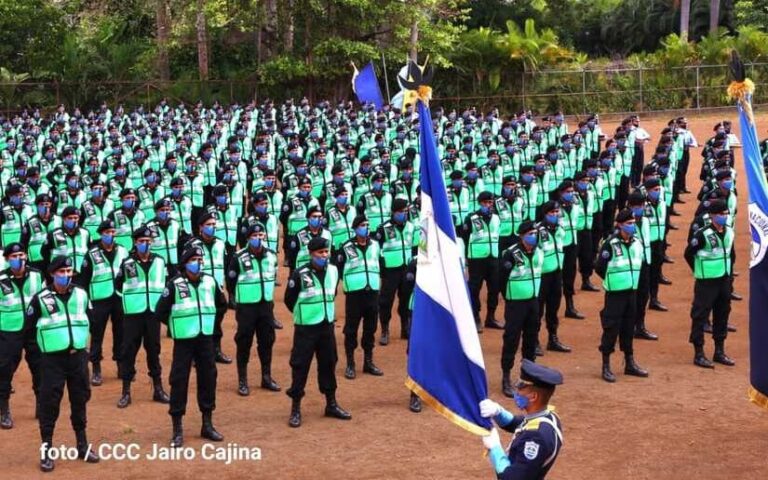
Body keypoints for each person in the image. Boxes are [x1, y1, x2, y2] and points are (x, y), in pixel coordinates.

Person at [24, 256, 99, 472]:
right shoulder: (40, 299)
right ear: (52, 274)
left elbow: (93, 322)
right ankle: (47, 450)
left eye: (68, 271)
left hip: (77, 358)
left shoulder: (81, 295)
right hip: (52, 361)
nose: (66, 276)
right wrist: (41, 356)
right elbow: (28, 331)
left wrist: (86, 353)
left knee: (80, 399)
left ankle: (82, 444)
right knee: (49, 404)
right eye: (61, 272)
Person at [154, 245, 228, 447]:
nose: (198, 263)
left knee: (208, 378)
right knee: (179, 380)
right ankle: (177, 429)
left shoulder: (210, 282)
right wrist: (176, 326)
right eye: (193, 260)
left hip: (205, 338)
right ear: (185, 263)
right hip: (184, 340)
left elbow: (221, 304)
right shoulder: (175, 284)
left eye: (200, 260)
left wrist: (210, 323)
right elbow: (160, 311)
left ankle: (207, 424)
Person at [284, 237, 351, 428]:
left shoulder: (332, 270)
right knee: (300, 366)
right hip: (306, 328)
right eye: (321, 253)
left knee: (328, 364)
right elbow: (290, 300)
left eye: (326, 252)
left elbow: (332, 294)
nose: (325, 255)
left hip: (326, 326)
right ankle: (295, 407)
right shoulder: (299, 274)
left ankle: (331, 403)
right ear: (312, 254)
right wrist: (303, 315)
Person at [479, 359, 564, 479]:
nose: (517, 392)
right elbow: (520, 424)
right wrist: (498, 412)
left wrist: (495, 449)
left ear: (533, 397)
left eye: (521, 388)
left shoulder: (536, 438)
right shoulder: (548, 416)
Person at [114, 225, 170, 408]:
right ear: (135, 243)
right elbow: (117, 286)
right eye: (141, 242)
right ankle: (126, 391)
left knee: (154, 350)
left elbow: (167, 285)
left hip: (153, 314)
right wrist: (128, 304)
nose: (145, 245)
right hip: (133, 315)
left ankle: (158, 388)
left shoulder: (160, 261)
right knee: (129, 351)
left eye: (148, 241)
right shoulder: (127, 263)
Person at [225, 222, 280, 396]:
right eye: (254, 236)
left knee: (267, 340)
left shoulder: (271, 255)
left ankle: (266, 376)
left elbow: (275, 275)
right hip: (247, 307)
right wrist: (241, 297)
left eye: (261, 236)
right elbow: (231, 281)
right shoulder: (239, 257)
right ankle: (242, 380)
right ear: (248, 238)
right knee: (244, 341)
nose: (258, 239)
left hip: (266, 305)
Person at [594, 208, 649, 382]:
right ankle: (606, 364)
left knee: (628, 327)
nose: (632, 226)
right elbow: (599, 267)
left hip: (631, 292)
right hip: (615, 294)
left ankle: (629, 362)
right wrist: (612, 281)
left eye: (633, 223)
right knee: (611, 327)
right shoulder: (610, 244)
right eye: (629, 224)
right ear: (619, 225)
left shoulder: (637, 243)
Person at [76, 220, 128, 386]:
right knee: (97, 334)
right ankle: (96, 367)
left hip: (118, 297)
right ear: (100, 234)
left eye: (113, 232)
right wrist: (86, 303)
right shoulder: (91, 254)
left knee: (120, 333)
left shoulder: (123, 251)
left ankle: (120, 364)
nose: (110, 235)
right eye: (107, 232)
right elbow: (83, 281)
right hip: (99, 299)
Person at [684, 199, 735, 368]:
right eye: (720, 214)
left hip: (723, 280)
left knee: (723, 313)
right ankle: (699, 352)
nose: (724, 217)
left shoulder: (729, 232)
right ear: (712, 216)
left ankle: (719, 350)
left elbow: (731, 254)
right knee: (700, 315)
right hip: (706, 281)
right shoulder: (702, 234)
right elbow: (688, 253)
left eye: (726, 214)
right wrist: (698, 270)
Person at [0, 243, 44, 429]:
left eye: (21, 255)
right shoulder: (1, 279)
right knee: (5, 369)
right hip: (9, 330)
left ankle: (41, 405)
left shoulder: (36, 275)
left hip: (33, 329)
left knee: (40, 367)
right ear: (7, 259)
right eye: (14, 256)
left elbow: (44, 299)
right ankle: (4, 409)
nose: (19, 259)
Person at [335, 215, 383, 380]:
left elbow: (380, 265)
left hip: (372, 292)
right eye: (362, 225)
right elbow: (338, 268)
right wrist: (350, 283)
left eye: (367, 225)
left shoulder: (375, 245)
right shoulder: (346, 247)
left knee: (371, 328)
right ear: (355, 228)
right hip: (355, 294)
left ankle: (368, 362)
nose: (366, 227)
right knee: (351, 329)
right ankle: (350, 363)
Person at [498, 221, 543, 398]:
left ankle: (529, 375)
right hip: (515, 304)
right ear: (522, 235)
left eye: (535, 233)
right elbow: (501, 279)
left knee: (531, 338)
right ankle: (506, 376)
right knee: (511, 339)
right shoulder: (511, 254)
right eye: (530, 233)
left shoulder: (539, 252)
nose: (534, 236)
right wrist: (510, 296)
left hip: (533, 301)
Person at [374, 198, 416, 345]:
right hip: (390, 270)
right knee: (386, 301)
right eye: (400, 212)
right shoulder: (383, 228)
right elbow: (376, 249)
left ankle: (405, 327)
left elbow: (415, 247)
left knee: (406, 299)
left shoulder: (411, 227)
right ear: (393, 212)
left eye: (405, 211)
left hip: (407, 268)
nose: (403, 214)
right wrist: (382, 267)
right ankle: (385, 330)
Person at [461, 191, 503, 332]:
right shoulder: (471, 218)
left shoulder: (497, 218)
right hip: (477, 259)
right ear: (480, 203)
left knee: (494, 288)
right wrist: (468, 255)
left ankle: (490, 317)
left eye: (490, 202)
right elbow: (465, 237)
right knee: (475, 288)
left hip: (493, 257)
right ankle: (475, 316)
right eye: (485, 203)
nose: (488, 205)